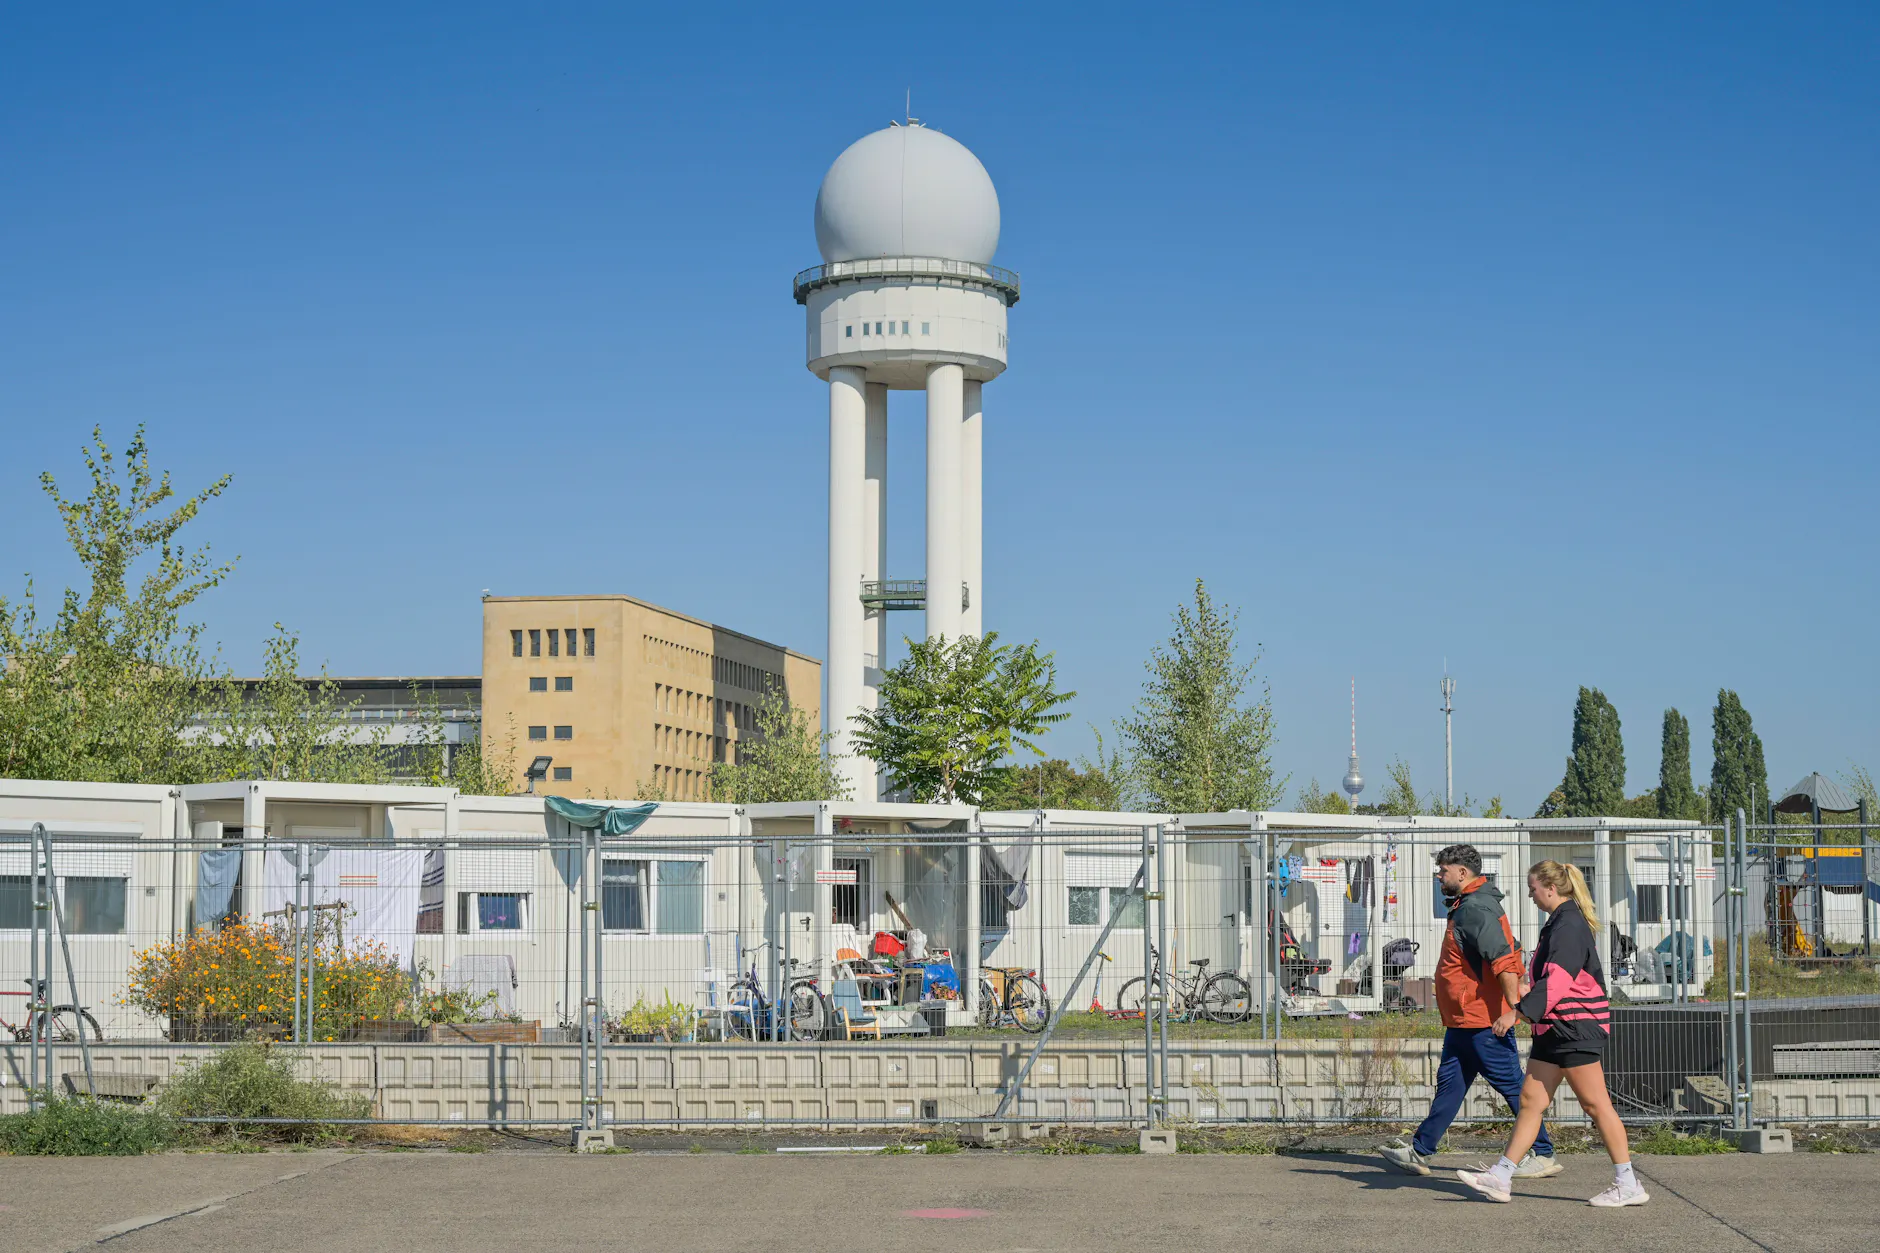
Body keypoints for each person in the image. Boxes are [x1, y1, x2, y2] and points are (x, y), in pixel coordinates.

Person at [1456, 860, 1647, 1208]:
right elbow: (1550, 979)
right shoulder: (1558, 923)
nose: (1530, 894)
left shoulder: (1569, 925)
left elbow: (1558, 981)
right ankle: (1501, 1176)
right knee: (1531, 1102)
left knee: (1596, 1104)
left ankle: (1628, 1182)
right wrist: (1527, 996)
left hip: (1575, 1028)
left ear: (1551, 888)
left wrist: (1519, 1012)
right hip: (1555, 1028)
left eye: (1532, 888)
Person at [1379, 844, 1558, 1178]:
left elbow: (1504, 959)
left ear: (1462, 873)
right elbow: (1512, 949)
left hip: (1481, 1022)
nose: (1438, 876)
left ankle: (1544, 1152)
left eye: (1443, 871)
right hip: (1464, 1021)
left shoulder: (1475, 908)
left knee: (1513, 1087)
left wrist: (1516, 1008)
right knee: (1450, 1085)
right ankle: (1419, 1150)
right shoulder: (1471, 905)